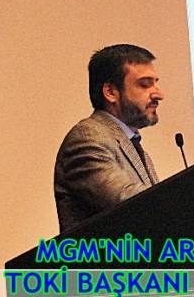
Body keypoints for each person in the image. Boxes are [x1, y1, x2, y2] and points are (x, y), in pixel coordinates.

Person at [54, 44, 164, 232]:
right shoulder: (88, 139)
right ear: (111, 93)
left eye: (156, 83)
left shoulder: (128, 141)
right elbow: (132, 204)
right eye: (145, 85)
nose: (159, 94)